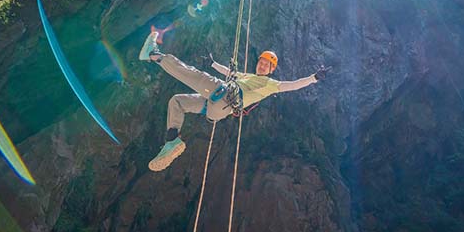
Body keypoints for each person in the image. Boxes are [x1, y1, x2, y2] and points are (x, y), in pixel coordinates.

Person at [138, 30, 329, 171]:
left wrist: (313, 78)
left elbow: (293, 85)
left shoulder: (271, 84)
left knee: (190, 73)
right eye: (261, 62)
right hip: (218, 109)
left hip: (225, 95)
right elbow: (230, 72)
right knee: (177, 101)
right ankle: (171, 141)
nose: (262, 65)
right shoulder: (247, 76)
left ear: (272, 70)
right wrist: (213, 64)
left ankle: (153, 54)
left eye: (267, 65)